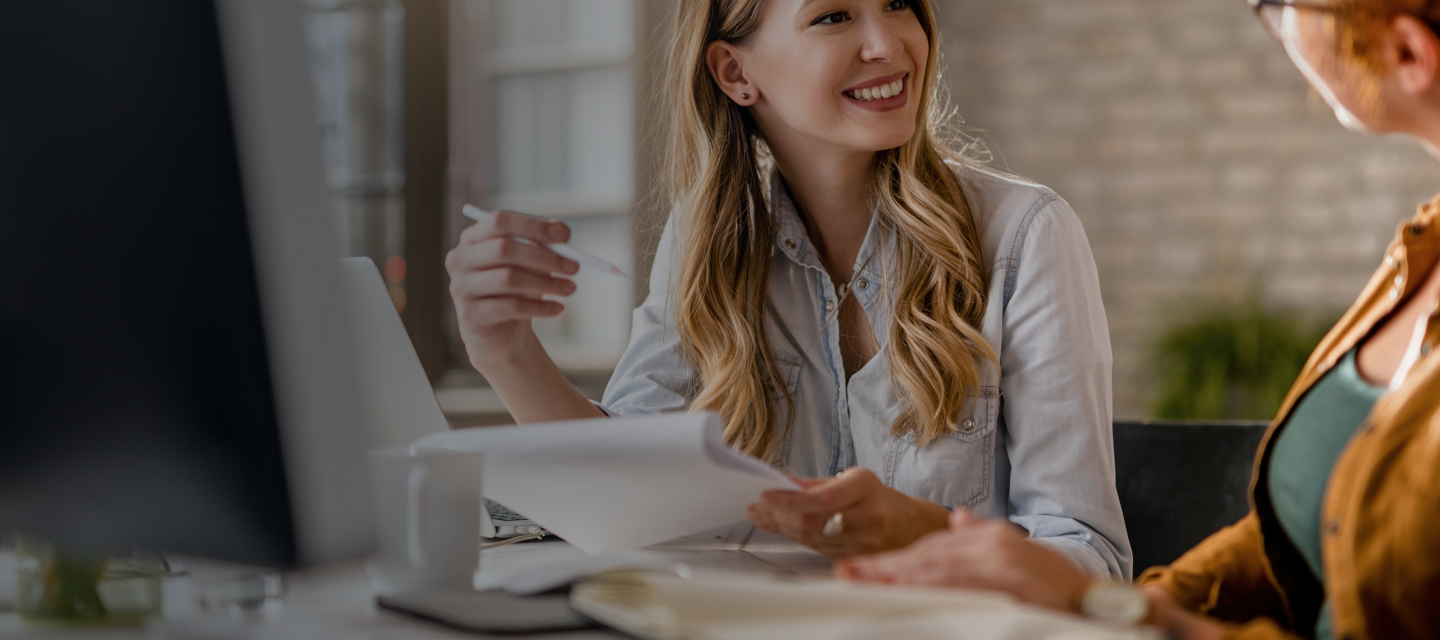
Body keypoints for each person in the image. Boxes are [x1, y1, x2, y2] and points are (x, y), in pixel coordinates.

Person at [445, 0, 1129, 578]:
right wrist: (505, 353)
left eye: (898, 1)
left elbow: (1089, 557)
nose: (889, 43)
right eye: (833, 15)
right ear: (735, 72)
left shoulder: (1025, 234)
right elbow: (621, 498)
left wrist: (921, 533)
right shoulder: (705, 242)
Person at [836, 0, 1440, 638]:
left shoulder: (1024, 232)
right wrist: (1131, 607)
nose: (1272, 22)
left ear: (1407, 54)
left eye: (1278, 4)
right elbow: (1281, 545)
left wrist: (1101, 603)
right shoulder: (1419, 252)